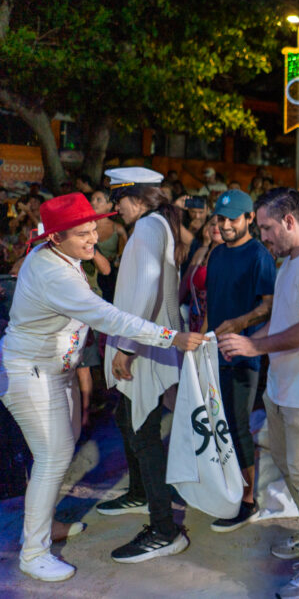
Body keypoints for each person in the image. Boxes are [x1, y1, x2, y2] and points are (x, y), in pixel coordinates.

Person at [0, 194, 204, 582]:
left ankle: (43, 524)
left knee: (63, 446)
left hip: (54, 371)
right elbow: (107, 316)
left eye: (94, 228)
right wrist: (170, 337)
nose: (93, 238)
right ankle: (33, 550)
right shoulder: (52, 272)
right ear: (56, 239)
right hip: (28, 372)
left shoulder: (62, 254)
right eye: (83, 233)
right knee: (53, 456)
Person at [218, 187, 299, 598]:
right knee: (292, 469)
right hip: (283, 388)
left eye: (268, 228)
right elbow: (280, 321)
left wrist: (254, 346)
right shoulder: (291, 262)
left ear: (290, 221)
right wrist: (244, 337)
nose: (264, 236)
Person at [98, 168, 193, 563]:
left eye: (117, 198)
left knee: (145, 435)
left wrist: (125, 346)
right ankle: (142, 496)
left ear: (135, 197)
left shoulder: (148, 229)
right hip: (151, 345)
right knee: (132, 422)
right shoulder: (156, 225)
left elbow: (143, 293)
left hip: (145, 350)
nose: (114, 206)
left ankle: (163, 529)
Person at [203, 189, 277, 533]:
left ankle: (248, 501)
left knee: (237, 425)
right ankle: (228, 486)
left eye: (233, 219)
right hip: (212, 351)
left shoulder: (259, 255)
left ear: (249, 218)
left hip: (244, 354)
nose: (226, 225)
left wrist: (239, 325)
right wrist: (201, 338)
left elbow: (269, 306)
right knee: (218, 423)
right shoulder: (216, 254)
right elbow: (211, 302)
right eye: (221, 219)